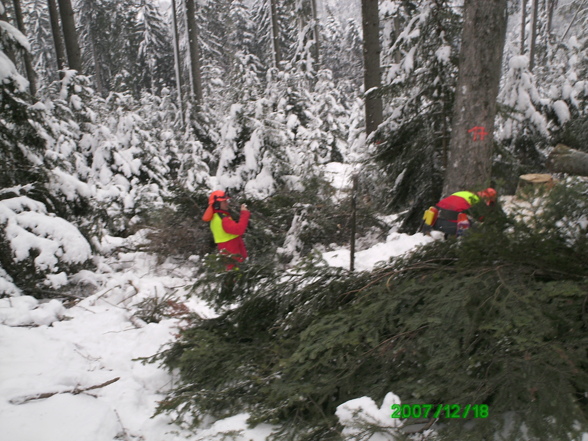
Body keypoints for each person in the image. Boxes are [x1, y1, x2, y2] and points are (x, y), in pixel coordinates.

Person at [202, 190, 250, 269]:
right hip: (233, 254)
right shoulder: (222, 219)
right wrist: (244, 214)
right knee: (236, 275)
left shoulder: (216, 217)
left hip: (229, 253)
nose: (226, 203)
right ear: (217, 204)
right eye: (224, 201)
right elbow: (239, 229)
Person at [422, 188, 497, 238]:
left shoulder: (463, 193)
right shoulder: (478, 201)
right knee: (475, 227)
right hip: (453, 227)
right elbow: (481, 219)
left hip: (435, 223)